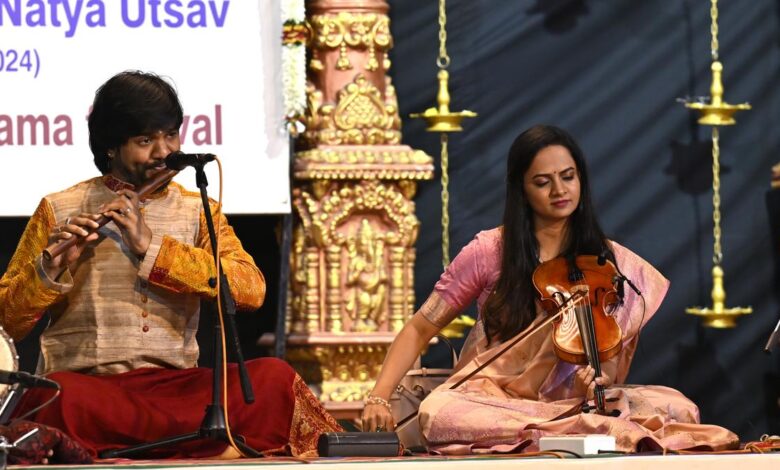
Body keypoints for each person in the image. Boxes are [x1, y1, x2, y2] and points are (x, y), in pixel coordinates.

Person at [0, 71, 340, 459]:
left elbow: (251, 288)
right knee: (58, 395)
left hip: (178, 391)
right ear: (111, 147)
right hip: (95, 390)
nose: (164, 151)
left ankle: (166, 444)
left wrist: (153, 248)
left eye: (171, 135)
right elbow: (6, 322)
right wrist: (50, 272)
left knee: (272, 378)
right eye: (145, 140)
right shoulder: (60, 208)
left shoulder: (198, 211)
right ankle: (207, 448)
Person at [362, 125, 739, 453]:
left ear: (581, 180)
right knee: (439, 413)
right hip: (493, 400)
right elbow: (419, 329)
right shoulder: (488, 251)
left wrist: (598, 379)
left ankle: (575, 428)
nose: (559, 190)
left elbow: (606, 359)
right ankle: (583, 432)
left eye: (568, 176)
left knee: (678, 407)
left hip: (576, 403)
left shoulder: (609, 261)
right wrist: (379, 396)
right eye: (543, 182)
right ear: (521, 189)